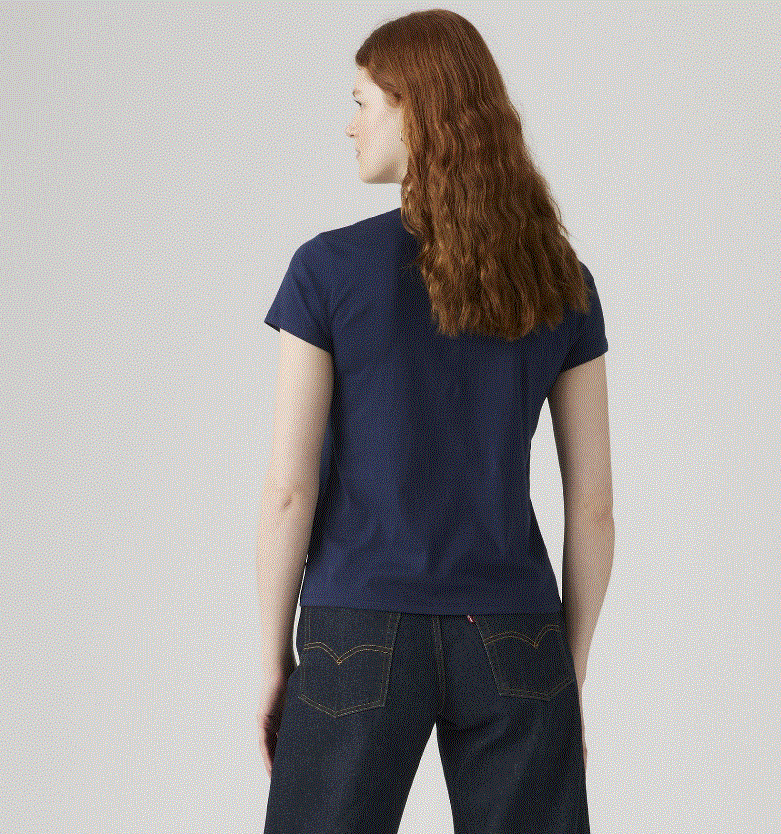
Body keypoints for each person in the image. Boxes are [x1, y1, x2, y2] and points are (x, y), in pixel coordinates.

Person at [255, 9, 613, 833]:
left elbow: (287, 489)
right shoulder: (559, 280)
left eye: (361, 103)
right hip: (516, 630)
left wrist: (276, 657)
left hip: (356, 629)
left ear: (412, 109)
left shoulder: (326, 271)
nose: (350, 126)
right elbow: (593, 506)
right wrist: (564, 669)